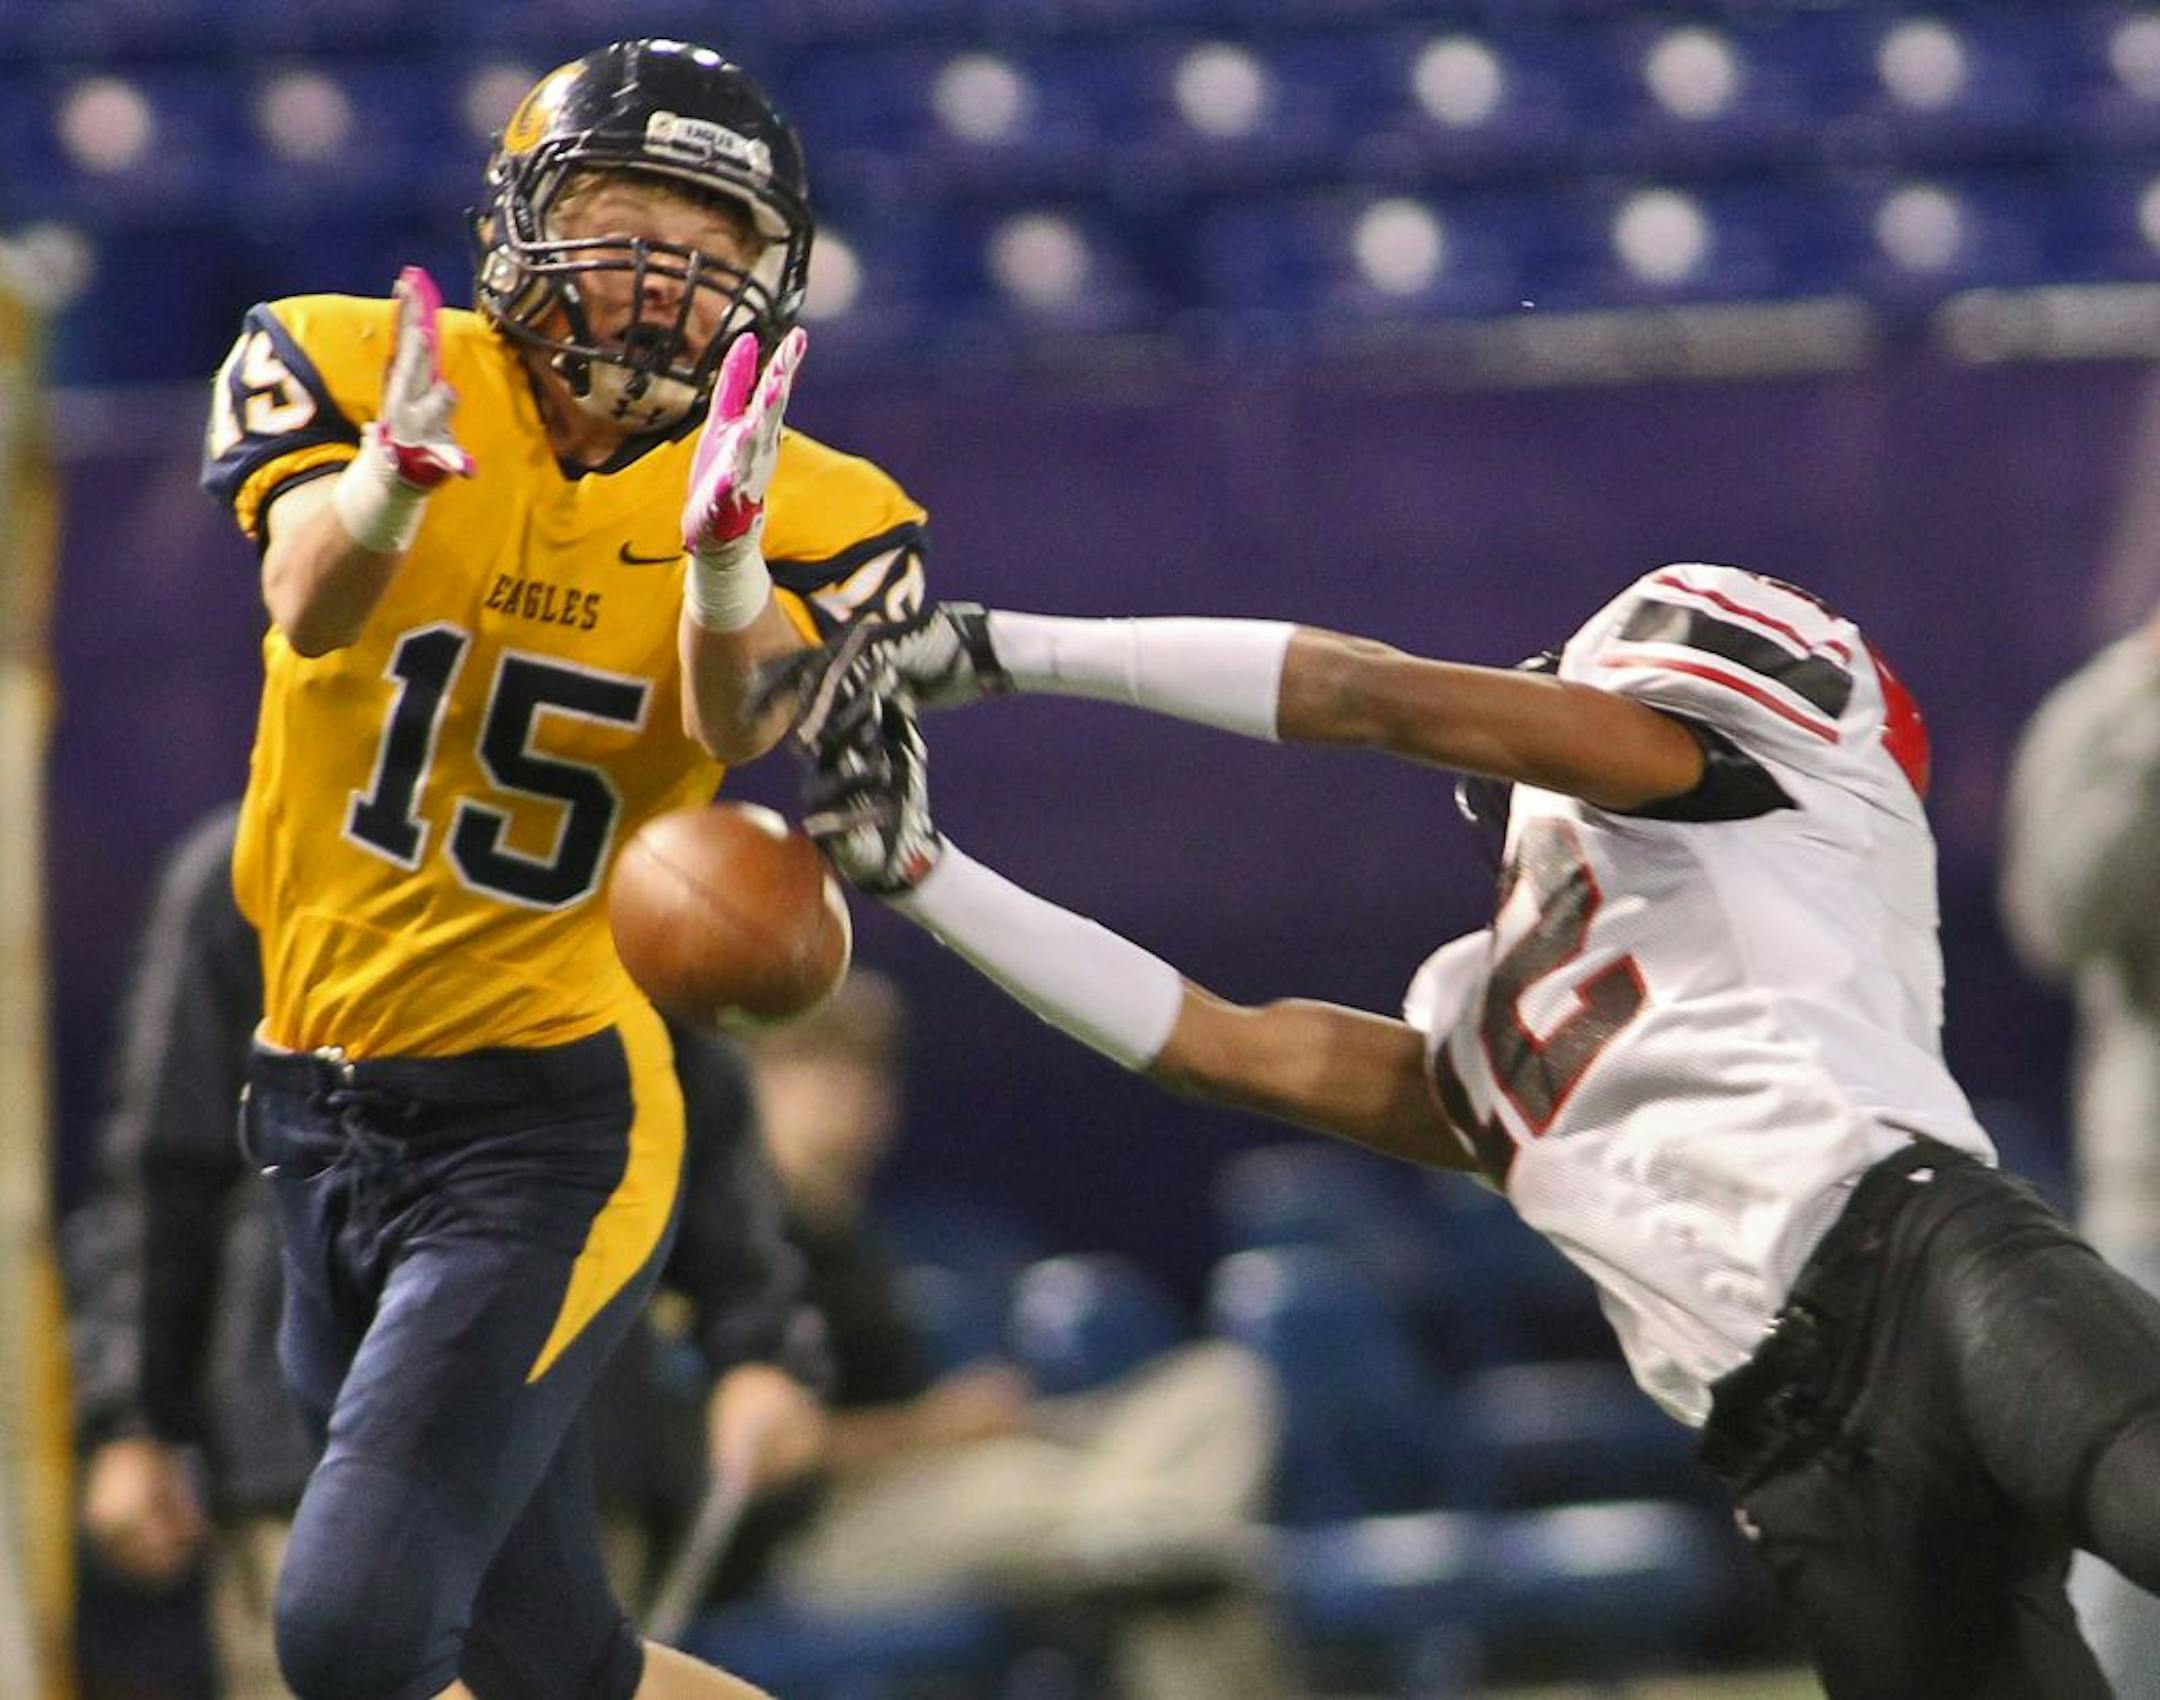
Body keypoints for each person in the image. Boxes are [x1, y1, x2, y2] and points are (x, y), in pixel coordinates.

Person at [769, 567, 2160, 1700]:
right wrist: (922, 877)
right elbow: (1223, 1045)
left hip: (1923, 1273)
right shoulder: (1511, 1011)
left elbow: (1374, 703)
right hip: (1792, 1446)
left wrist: (1005, 647)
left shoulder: (1762, 782)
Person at [196, 37, 928, 1700]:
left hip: (546, 1118)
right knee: (549, 1663)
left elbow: (738, 720)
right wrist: (389, 480)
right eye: (625, 214)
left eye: (711, 240)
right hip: (313, 1102)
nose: (665, 274)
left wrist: (729, 565)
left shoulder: (813, 498)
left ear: (769, 282)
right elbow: (308, 599)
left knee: (351, 1630)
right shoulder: (351, 363)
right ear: (524, 218)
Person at [66, 803, 833, 1699]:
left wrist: (760, 1346)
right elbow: (168, 1162)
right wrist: (133, 1423)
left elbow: (695, 1112)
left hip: (557, 1427)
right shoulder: (259, 858)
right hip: (315, 1437)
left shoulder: (606, 851)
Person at [714, 971, 1293, 1700]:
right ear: (746, 1085)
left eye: (866, 1072)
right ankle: (1147, 1534)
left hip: (952, 1488)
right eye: (811, 1068)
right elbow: (749, 1462)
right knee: (1181, 1565)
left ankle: (1145, 1535)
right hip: (824, 1542)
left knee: (1220, 1386)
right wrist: (936, 1428)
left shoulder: (851, 1238)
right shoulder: (727, 1249)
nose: (848, 1096)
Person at [2000, 607, 2160, 1699]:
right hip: (2159, 1206)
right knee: (2136, 1563)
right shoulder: (2107, 714)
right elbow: (2059, 916)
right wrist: (2149, 757)